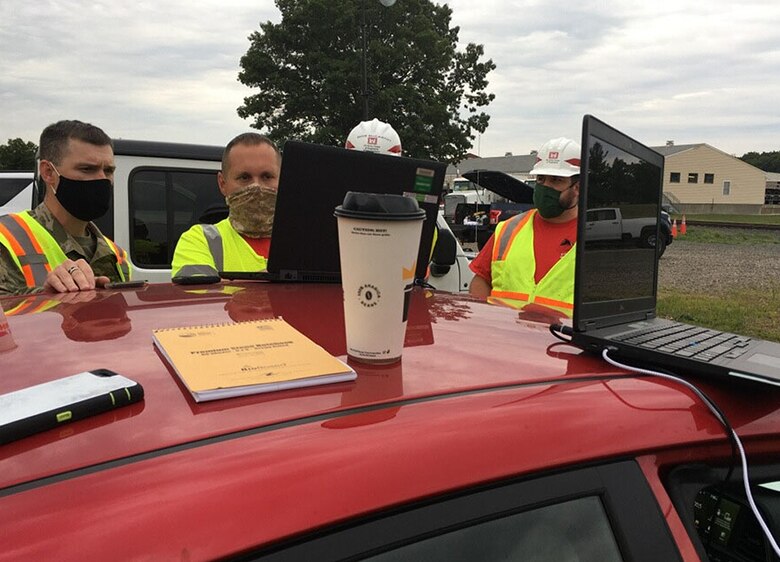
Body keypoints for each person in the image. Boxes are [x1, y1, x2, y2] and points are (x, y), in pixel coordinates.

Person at [0, 120, 129, 296]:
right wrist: (45, 297)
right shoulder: (6, 238)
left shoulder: (117, 256)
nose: (102, 179)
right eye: (87, 169)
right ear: (48, 172)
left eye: (108, 171)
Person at [468, 137, 581, 318]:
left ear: (578, 187)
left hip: (563, 343)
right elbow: (480, 281)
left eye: (556, 180)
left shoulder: (593, 235)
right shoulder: (508, 229)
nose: (545, 187)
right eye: (541, 179)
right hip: (506, 340)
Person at [171, 133, 281, 278]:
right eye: (244, 177)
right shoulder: (200, 240)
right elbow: (198, 298)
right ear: (223, 184)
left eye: (266, 176)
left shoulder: (310, 242)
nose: (256, 187)